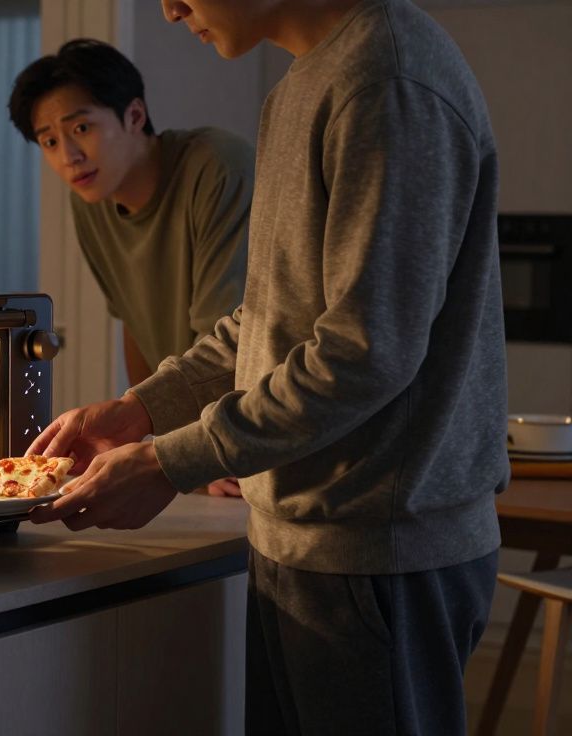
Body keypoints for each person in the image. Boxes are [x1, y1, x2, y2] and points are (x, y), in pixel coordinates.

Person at [28, 1, 507, 733]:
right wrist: (140, 412)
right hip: (302, 538)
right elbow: (269, 319)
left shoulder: (387, 79)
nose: (169, 6)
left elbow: (362, 355)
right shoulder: (300, 87)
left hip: (380, 548)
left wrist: (168, 461)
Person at [9, 38, 253, 497]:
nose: (68, 156)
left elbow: (235, 332)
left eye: (81, 128)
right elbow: (133, 320)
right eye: (50, 141)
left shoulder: (217, 167)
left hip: (250, 428)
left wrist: (200, 447)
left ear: (135, 115)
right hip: (191, 435)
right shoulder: (90, 201)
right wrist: (147, 433)